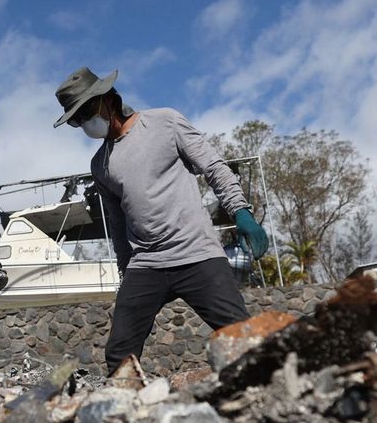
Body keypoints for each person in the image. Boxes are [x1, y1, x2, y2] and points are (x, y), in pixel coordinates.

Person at [53, 67, 269, 374]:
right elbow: (117, 220)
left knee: (244, 340)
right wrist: (126, 269)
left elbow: (214, 167)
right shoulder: (100, 164)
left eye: (85, 112)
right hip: (147, 265)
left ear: (106, 100)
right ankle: (130, 412)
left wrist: (241, 212)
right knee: (119, 353)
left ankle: (271, 393)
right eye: (76, 120)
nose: (84, 123)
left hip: (197, 253)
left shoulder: (165, 122)